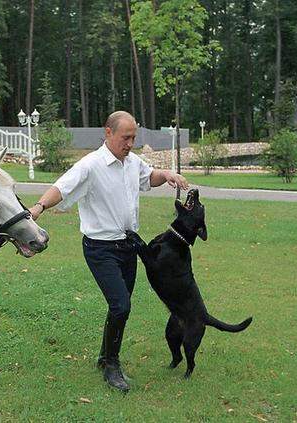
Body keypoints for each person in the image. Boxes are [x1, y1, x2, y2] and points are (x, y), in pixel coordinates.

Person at [29, 111, 189, 392]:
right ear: (108, 133)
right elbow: (62, 188)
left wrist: (165, 174)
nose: (130, 143)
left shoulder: (132, 162)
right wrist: (40, 207)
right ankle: (111, 366)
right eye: (126, 137)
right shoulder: (91, 165)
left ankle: (105, 358)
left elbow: (148, 177)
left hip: (129, 246)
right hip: (100, 249)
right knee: (121, 305)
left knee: (120, 307)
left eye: (133, 138)